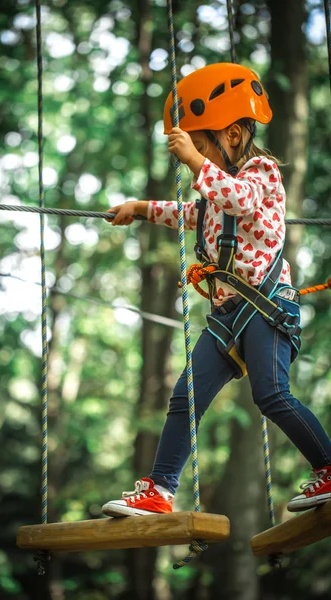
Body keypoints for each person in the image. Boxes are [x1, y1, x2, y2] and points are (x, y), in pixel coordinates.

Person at [102, 63, 331, 517]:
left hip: (267, 309)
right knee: (185, 397)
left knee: (272, 395)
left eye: (201, 144)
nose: (195, 160)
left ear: (230, 136)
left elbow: (238, 199)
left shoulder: (262, 174)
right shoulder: (213, 191)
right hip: (228, 318)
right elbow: (194, 213)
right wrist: (142, 208)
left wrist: (194, 160)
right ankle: (160, 489)